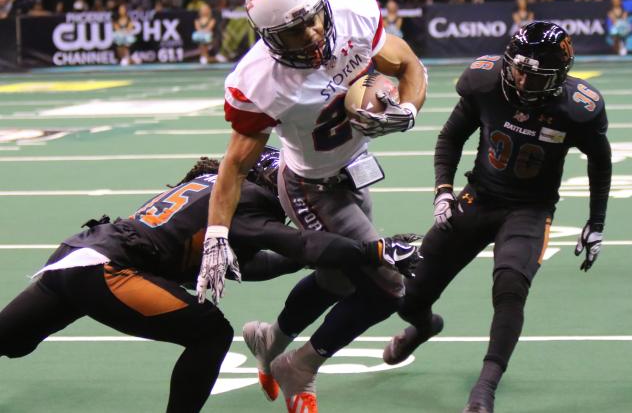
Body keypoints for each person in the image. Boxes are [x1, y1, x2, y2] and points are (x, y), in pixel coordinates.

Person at [0, 149, 421, 413]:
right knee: (211, 334)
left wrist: (302, 261)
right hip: (109, 270)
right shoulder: (245, 199)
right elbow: (295, 242)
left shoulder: (209, 185)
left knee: (9, 339)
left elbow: (252, 264)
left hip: (76, 255)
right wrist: (373, 251)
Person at [200, 0, 427, 413]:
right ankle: (298, 365)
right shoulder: (259, 82)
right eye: (292, 31)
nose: (312, 33)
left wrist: (409, 107)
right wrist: (216, 234)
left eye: (313, 18)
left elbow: (407, 63)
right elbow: (234, 165)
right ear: (267, 38)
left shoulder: (352, 10)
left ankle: (271, 338)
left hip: (353, 165)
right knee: (386, 285)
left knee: (338, 279)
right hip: (311, 186)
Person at [382, 21, 612, 413]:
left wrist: (597, 221)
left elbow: (601, 161)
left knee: (509, 286)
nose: (519, 79)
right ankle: (423, 326)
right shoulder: (486, 83)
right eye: (516, 67)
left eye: (531, 74)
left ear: (556, 78)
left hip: (529, 209)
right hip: (479, 196)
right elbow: (451, 136)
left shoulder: (577, 109)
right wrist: (443, 191)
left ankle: (485, 387)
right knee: (409, 295)